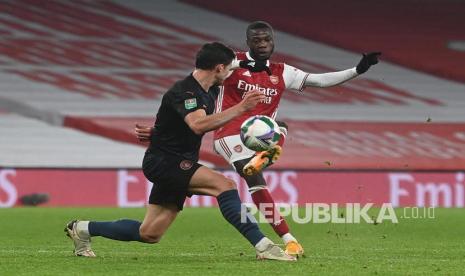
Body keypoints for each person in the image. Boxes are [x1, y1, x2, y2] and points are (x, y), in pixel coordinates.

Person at [136, 21, 381, 257]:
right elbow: (199, 81)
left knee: (280, 128)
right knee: (252, 175)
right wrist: (163, 129)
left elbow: (319, 80)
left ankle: (266, 169)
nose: (262, 44)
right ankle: (286, 238)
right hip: (228, 133)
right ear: (248, 42)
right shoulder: (232, 63)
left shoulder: (282, 72)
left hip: (260, 136)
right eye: (256, 40)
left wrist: (358, 69)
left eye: (266, 39)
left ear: (273, 42)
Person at [65, 42, 296, 261]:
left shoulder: (211, 86)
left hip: (176, 160)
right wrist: (241, 108)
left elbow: (235, 66)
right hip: (165, 163)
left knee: (150, 233)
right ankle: (264, 246)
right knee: (225, 186)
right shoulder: (185, 92)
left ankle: (82, 229)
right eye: (228, 69)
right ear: (218, 68)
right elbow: (198, 125)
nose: (231, 73)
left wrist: (157, 133)